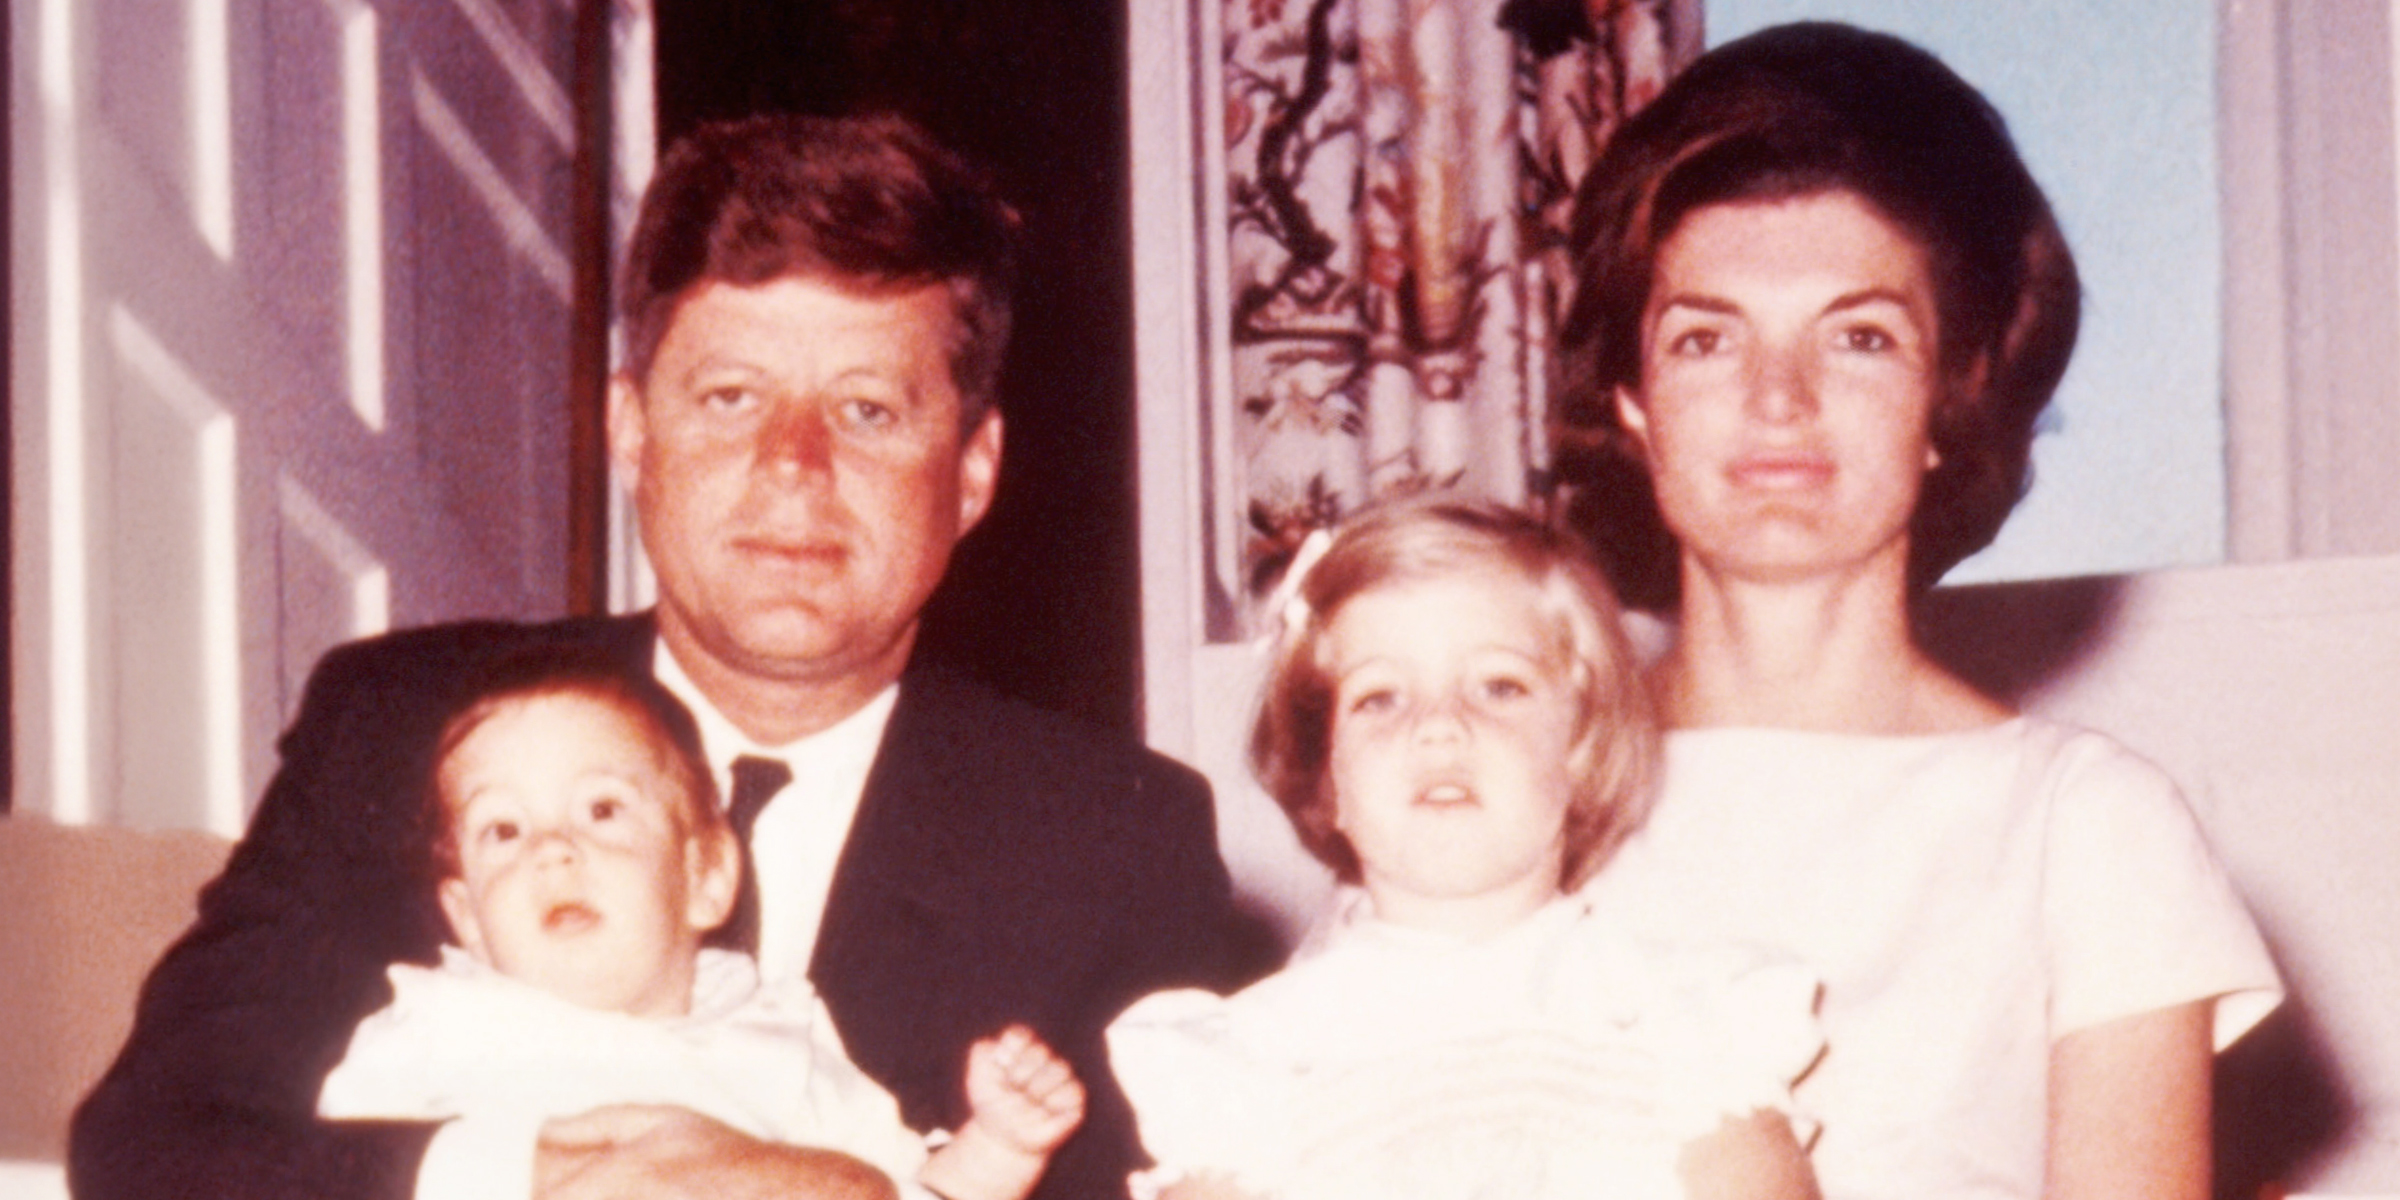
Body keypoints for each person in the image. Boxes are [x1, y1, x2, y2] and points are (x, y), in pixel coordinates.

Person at [71, 112, 1246, 1200]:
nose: (795, 464)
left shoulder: (1115, 844)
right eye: (732, 397)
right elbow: (153, 1140)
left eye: (869, 412)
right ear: (634, 432)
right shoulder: (404, 725)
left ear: (975, 471)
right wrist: (525, 1172)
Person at [1554, 22, 2282, 1200]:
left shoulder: (2083, 828)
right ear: (1634, 403)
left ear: (1952, 400)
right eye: (1705, 337)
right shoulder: (1514, 782)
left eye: (1858, 338)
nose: (1777, 400)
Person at [1106, 498, 1823, 1200]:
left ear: (1579, 747)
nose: (1439, 725)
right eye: (1380, 697)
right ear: (1327, 778)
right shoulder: (1247, 1069)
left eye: (1498, 686)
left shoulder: (1689, 1031)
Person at [316, 648, 1086, 1200]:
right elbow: (347, 1177)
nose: (553, 851)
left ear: (705, 877)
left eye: (602, 810)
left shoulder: (781, 1038)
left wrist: (998, 1149)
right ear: (468, 920)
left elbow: (890, 1189)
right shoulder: (434, 1031)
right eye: (503, 831)